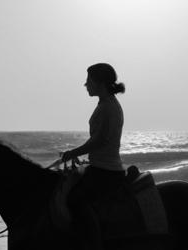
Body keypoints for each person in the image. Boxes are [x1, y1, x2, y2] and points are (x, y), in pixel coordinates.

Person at [61, 62, 127, 249]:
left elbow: (100, 140)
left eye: (88, 80)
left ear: (99, 82)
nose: (85, 84)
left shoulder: (108, 107)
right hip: (100, 167)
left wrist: (72, 153)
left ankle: (92, 243)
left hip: (106, 171)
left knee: (74, 200)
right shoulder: (106, 104)